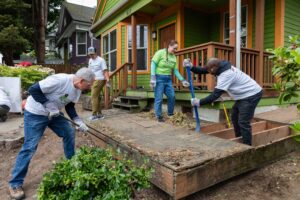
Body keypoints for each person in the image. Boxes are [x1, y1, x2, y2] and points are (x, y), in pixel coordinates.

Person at [8, 68, 95, 200]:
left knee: (69, 131)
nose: (90, 87)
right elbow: (33, 90)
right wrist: (49, 105)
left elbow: (70, 106)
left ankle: (72, 166)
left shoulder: (77, 89)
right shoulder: (60, 80)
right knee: (30, 147)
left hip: (53, 114)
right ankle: (15, 184)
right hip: (35, 113)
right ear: (82, 81)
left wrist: (78, 121)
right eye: (89, 84)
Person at [185, 58, 263, 145]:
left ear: (214, 68)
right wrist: (191, 67)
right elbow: (204, 70)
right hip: (243, 95)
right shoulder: (220, 65)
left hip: (251, 94)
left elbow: (215, 95)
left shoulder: (226, 75)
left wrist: (199, 102)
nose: (209, 73)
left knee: (243, 122)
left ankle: (247, 147)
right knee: (234, 117)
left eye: (210, 70)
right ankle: (239, 141)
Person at [150, 40, 190, 122]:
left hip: (168, 79)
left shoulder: (174, 57)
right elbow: (153, 64)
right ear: (169, 46)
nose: (175, 50)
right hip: (159, 78)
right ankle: (158, 116)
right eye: (174, 48)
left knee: (172, 96)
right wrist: (153, 77)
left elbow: (175, 71)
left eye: (176, 49)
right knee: (159, 98)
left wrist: (182, 80)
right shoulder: (160, 53)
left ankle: (170, 113)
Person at [87, 46, 110, 121]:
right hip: (93, 80)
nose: (91, 55)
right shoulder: (90, 60)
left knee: (93, 96)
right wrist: (89, 81)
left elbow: (105, 70)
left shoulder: (101, 60)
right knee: (97, 97)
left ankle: (94, 115)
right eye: (90, 54)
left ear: (96, 53)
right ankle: (99, 114)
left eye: (92, 54)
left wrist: (107, 79)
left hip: (100, 79)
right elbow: (90, 71)